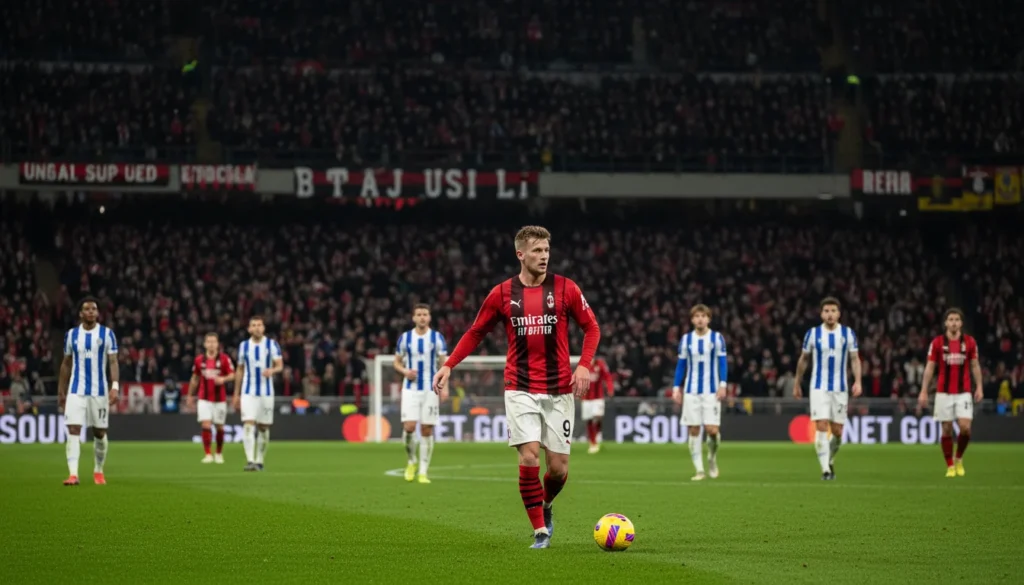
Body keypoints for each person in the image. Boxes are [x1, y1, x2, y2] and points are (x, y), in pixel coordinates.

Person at [432, 226, 600, 549]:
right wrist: (449, 364)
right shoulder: (501, 294)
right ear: (520, 254)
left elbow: (591, 327)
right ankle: (540, 531)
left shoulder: (566, 288)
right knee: (529, 457)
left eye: (546, 250)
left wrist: (584, 365)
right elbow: (475, 332)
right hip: (519, 386)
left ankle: (546, 504)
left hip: (559, 389)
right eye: (537, 251)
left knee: (558, 470)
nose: (544, 256)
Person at [793, 297, 862, 480]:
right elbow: (804, 359)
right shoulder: (813, 334)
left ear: (839, 314)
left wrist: (858, 381)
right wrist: (797, 383)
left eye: (833, 311)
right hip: (818, 387)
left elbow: (855, 359)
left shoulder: (848, 333)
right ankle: (825, 470)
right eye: (826, 311)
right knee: (821, 425)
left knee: (838, 432)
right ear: (821, 314)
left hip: (840, 388)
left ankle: (829, 459)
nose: (830, 314)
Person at [57, 297, 119, 486]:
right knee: (73, 429)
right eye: (87, 309)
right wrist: (61, 390)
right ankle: (73, 474)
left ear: (98, 313)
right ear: (80, 313)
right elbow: (66, 363)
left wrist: (115, 386)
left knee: (99, 432)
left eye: (94, 309)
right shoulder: (72, 335)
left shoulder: (107, 334)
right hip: (76, 390)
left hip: (99, 391)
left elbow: (113, 361)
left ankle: (98, 470)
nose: (91, 311)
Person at [918, 308, 983, 477]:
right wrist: (924, 390)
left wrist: (979, 387)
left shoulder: (970, 342)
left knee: (965, 428)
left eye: (957, 320)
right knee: (946, 429)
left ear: (961, 323)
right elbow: (930, 367)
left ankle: (959, 457)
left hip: (964, 392)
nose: (954, 323)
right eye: (951, 320)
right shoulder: (937, 343)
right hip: (943, 393)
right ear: (946, 323)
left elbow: (975, 365)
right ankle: (950, 465)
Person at [671, 304, 727, 481]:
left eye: (703, 316)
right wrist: (676, 387)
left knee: (712, 430)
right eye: (697, 316)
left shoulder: (717, 338)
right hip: (691, 391)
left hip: (712, 391)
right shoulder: (686, 339)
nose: (700, 319)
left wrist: (723, 384)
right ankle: (699, 470)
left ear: (709, 319)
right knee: (694, 429)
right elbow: (681, 365)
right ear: (692, 320)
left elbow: (723, 362)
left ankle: (711, 458)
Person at [394, 303, 447, 483]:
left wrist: (444, 387)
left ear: (429, 317)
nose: (422, 317)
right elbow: (396, 362)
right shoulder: (405, 338)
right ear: (413, 318)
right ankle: (411, 461)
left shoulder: (437, 338)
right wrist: (405, 371)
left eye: (425, 314)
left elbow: (444, 364)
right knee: (409, 427)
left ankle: (423, 471)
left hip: (430, 389)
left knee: (426, 429)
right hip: (410, 388)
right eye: (419, 314)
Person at [232, 316, 283, 471]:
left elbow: (280, 365)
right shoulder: (244, 346)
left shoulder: (271, 344)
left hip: (266, 393)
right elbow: (240, 369)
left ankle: (260, 461)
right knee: (248, 424)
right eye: (253, 325)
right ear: (249, 329)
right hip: (248, 391)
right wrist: (236, 394)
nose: (257, 328)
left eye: (259, 325)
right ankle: (250, 461)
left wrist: (272, 370)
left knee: (263, 427)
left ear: (263, 328)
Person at [187, 332, 235, 464]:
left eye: (214, 342)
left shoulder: (224, 359)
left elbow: (233, 375)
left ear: (218, 344)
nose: (211, 344)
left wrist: (223, 379)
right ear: (205, 344)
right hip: (204, 398)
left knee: (220, 427)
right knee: (206, 425)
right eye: (209, 342)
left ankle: (218, 453)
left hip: (220, 399)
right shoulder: (199, 360)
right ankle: (208, 454)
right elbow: (195, 378)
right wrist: (190, 395)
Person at [582, 355, 614, 454]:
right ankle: (593, 442)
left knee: (598, 416)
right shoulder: (583, 365)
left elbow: (607, 376)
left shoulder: (600, 364)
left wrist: (610, 389)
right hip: (586, 398)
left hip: (598, 397)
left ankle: (596, 436)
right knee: (589, 420)